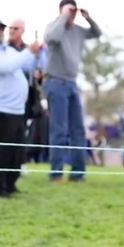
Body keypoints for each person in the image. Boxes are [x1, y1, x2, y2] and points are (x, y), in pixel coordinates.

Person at [43, 0, 101, 182]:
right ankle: (56, 172)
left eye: (73, 12)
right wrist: (63, 17)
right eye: (69, 11)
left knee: (78, 130)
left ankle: (77, 173)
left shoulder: (78, 31)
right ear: (60, 11)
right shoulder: (53, 27)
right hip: (55, 82)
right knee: (59, 130)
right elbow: (53, 38)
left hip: (72, 84)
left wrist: (88, 18)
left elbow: (97, 33)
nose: (71, 15)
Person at [0, 19, 41, 197]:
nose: (2, 32)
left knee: (17, 151)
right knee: (3, 151)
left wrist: (35, 54)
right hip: (4, 109)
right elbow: (8, 67)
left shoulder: (8, 51)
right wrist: (28, 52)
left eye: (2, 29)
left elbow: (26, 65)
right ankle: (1, 187)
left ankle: (10, 184)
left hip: (18, 110)